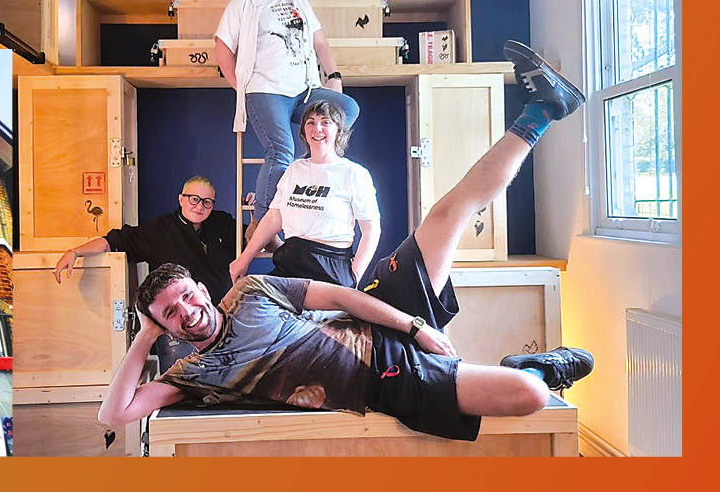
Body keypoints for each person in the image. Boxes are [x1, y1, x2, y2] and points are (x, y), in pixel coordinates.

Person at [97, 41, 594, 442]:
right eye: (169, 314)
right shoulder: (195, 371)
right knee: (528, 393)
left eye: (186, 297)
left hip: (365, 301)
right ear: (164, 326)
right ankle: (534, 369)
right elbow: (113, 414)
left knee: (446, 214)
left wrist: (414, 324)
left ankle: (541, 111)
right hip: (378, 377)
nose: (186, 312)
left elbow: (347, 282)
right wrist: (145, 334)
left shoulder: (253, 290)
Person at [213, 0, 361, 240]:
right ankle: (261, 225)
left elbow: (320, 44)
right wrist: (242, 89)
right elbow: (222, 49)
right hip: (266, 91)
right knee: (281, 150)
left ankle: (308, 173)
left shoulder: (301, 3)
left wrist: (333, 78)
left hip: (304, 91)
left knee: (347, 109)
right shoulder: (245, 3)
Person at [54, 176, 239, 368]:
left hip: (220, 322)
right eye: (194, 199)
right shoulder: (159, 231)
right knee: (180, 383)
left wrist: (253, 213)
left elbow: (252, 240)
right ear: (181, 199)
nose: (200, 206)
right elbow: (114, 241)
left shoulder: (222, 224)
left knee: (226, 382)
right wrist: (75, 252)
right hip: (176, 332)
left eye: (207, 202)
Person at [228, 100, 380, 288]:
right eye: (311, 122)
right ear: (304, 132)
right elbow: (273, 218)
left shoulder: (354, 173)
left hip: (331, 268)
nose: (317, 129)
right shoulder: (295, 169)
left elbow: (371, 230)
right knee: (247, 301)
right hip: (290, 263)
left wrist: (354, 276)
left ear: (339, 131)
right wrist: (244, 259)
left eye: (325, 122)